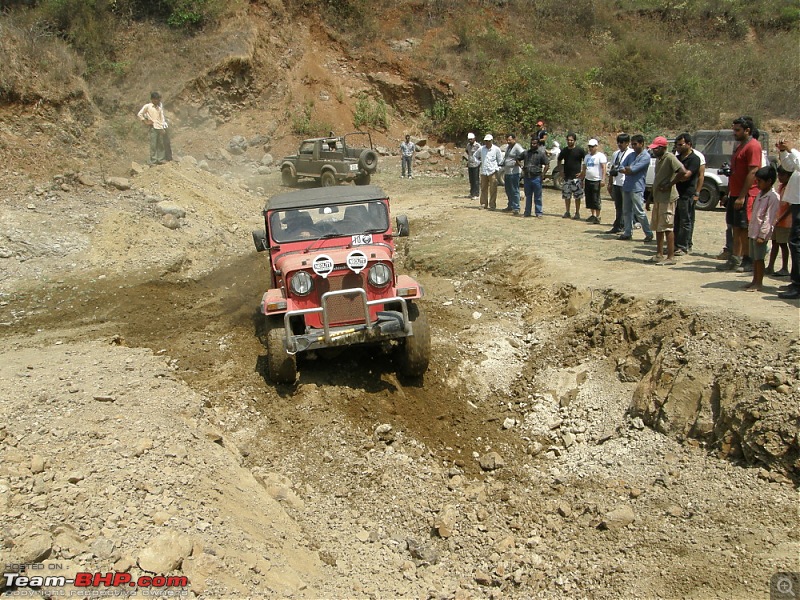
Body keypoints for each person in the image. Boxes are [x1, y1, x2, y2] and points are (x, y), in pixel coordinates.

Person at [717, 116, 761, 273]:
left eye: (737, 130)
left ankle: (748, 260)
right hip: (735, 193)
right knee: (735, 227)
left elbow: (753, 171)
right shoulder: (739, 147)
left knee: (744, 228)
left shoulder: (753, 146)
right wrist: (728, 194)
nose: (734, 133)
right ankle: (735, 258)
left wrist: (742, 196)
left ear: (747, 130)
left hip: (746, 194)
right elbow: (734, 173)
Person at [647, 136, 687, 265]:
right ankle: (659, 254)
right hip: (658, 198)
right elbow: (657, 180)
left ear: (663, 148)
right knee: (658, 227)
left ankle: (670, 257)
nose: (654, 151)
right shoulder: (659, 160)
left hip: (667, 198)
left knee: (668, 227)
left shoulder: (670, 157)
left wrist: (670, 184)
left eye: (656, 148)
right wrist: (649, 199)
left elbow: (682, 171)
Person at [745, 166, 780, 291]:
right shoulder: (760, 194)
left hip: (760, 233)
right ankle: (754, 280)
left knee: (759, 258)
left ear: (769, 181)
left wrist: (762, 234)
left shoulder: (773, 197)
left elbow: (769, 219)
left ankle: (759, 282)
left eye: (760, 181)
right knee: (754, 258)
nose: (757, 183)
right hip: (753, 231)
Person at [776, 139, 800, 299]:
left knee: (796, 243)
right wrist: (784, 151)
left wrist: (792, 150)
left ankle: (797, 285)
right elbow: (789, 166)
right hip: (796, 202)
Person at [618, 134, 654, 242]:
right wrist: (627, 169)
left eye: (635, 144)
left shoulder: (645, 157)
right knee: (626, 211)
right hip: (627, 185)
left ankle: (648, 233)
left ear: (641, 143)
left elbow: (633, 169)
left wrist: (627, 169)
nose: (633, 146)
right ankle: (627, 232)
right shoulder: (631, 155)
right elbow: (621, 167)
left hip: (637, 186)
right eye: (632, 144)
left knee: (639, 211)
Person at [673, 133, 702, 256]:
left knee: (686, 220)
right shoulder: (678, 158)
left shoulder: (694, 159)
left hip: (687, 193)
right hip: (677, 193)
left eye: (681, 144)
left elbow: (686, 176)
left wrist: (675, 177)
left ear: (689, 144)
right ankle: (676, 244)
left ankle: (684, 245)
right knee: (677, 220)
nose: (678, 147)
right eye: (677, 145)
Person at [766, 166, 792, 277]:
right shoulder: (781, 187)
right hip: (778, 220)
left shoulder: (790, 188)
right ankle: (770, 266)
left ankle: (784, 268)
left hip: (785, 222)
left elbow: (790, 207)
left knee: (783, 244)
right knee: (775, 243)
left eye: (782, 175)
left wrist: (781, 218)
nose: (780, 177)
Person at [607, 133, 632, 234]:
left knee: (626, 206)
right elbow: (613, 167)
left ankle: (626, 226)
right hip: (617, 182)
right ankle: (618, 225)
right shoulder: (616, 153)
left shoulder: (631, 153)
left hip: (626, 182)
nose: (619, 144)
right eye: (618, 142)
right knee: (618, 205)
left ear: (627, 143)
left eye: (622, 142)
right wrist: (610, 182)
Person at [556, 132, 586, 219]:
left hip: (576, 178)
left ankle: (577, 213)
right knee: (567, 196)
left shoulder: (580, 150)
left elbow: (586, 161)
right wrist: (560, 171)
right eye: (568, 140)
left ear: (575, 141)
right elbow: (559, 160)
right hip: (566, 177)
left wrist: (582, 172)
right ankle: (567, 211)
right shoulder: (564, 150)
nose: (569, 141)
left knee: (577, 196)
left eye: (571, 140)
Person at [518, 136, 549, 218]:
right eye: (531, 143)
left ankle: (538, 212)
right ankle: (527, 212)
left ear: (538, 144)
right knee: (528, 196)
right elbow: (518, 158)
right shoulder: (526, 153)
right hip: (527, 178)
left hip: (536, 178)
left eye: (534, 143)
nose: (532, 145)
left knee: (538, 196)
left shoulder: (541, 154)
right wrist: (521, 166)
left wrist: (543, 174)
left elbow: (547, 164)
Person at [137, 91, 171, 165]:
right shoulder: (148, 106)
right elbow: (140, 114)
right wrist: (145, 122)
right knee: (153, 145)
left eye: (157, 99)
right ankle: (153, 160)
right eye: (155, 99)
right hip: (153, 128)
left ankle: (161, 159)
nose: (156, 101)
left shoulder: (159, 108)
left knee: (161, 144)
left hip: (159, 127)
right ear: (152, 99)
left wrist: (162, 128)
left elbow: (161, 118)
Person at [579, 138, 607, 224]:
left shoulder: (600, 156)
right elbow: (584, 168)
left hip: (596, 180)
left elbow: (603, 168)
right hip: (588, 179)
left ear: (596, 147)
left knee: (596, 198)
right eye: (589, 146)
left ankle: (598, 216)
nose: (590, 148)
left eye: (592, 146)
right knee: (589, 198)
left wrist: (603, 179)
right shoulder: (587, 157)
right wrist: (582, 179)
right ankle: (593, 215)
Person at [474, 134, 503, 210]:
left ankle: (492, 205)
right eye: (486, 141)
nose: (487, 142)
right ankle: (483, 203)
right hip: (484, 171)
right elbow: (475, 156)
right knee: (483, 188)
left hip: (493, 171)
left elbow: (500, 160)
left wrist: (498, 168)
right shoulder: (481, 149)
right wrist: (478, 163)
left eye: (488, 141)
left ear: (491, 141)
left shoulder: (496, 149)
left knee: (493, 188)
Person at [501, 133, 525, 215]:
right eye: (507, 140)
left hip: (514, 172)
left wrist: (518, 163)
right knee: (508, 190)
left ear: (514, 139)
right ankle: (510, 205)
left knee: (514, 190)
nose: (508, 141)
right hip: (507, 171)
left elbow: (524, 155)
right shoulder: (508, 147)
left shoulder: (517, 147)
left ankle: (516, 207)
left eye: (510, 140)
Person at [464, 133, 481, 200]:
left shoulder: (477, 146)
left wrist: (479, 161)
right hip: (470, 164)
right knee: (471, 180)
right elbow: (467, 151)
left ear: (474, 139)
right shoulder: (468, 145)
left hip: (476, 164)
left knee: (476, 180)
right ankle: (472, 193)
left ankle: (476, 194)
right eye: (469, 139)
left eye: (471, 139)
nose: (470, 140)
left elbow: (481, 154)